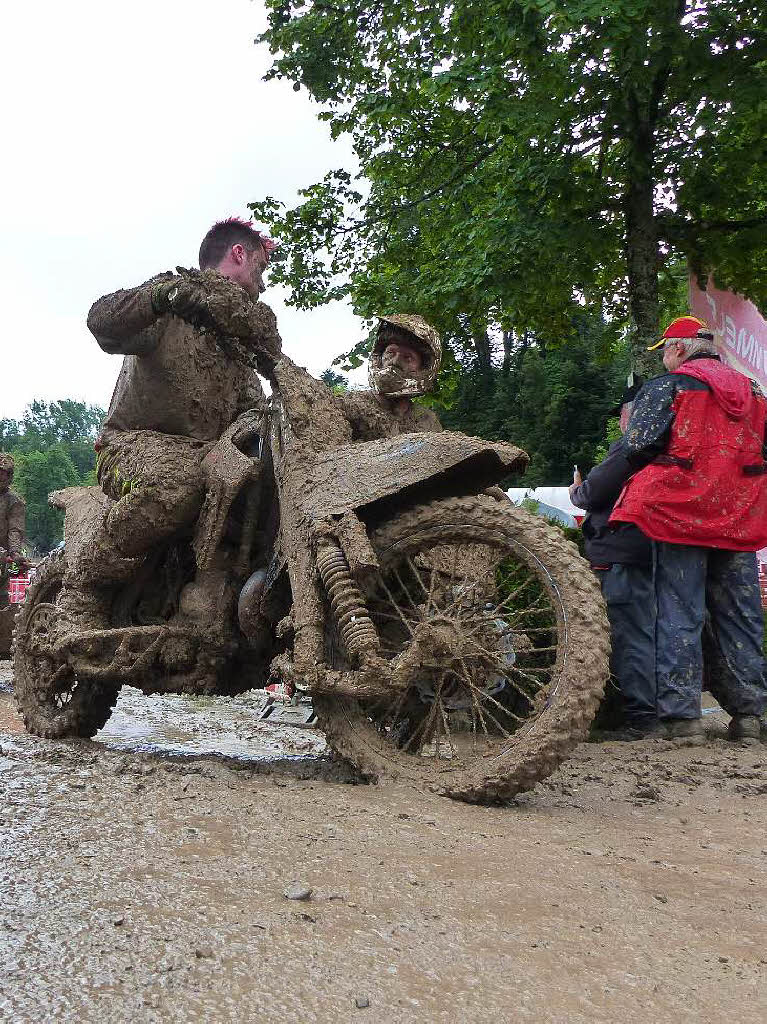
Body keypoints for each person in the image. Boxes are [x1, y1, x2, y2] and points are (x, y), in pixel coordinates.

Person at [60, 217, 282, 629]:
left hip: (211, 459)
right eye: (260, 268)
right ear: (239, 254)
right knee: (178, 484)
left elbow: (255, 409)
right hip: (129, 448)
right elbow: (101, 323)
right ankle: (84, 585)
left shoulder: (239, 341)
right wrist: (162, 296)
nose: (264, 284)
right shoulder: (175, 305)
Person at [610, 315, 767, 745]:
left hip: (679, 515)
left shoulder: (669, 386)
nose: (663, 359)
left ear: (678, 349)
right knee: (741, 616)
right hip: (738, 517)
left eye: (663, 350)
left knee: (679, 613)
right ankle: (750, 718)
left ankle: (684, 721)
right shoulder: (754, 391)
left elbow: (638, 443)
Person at [569, 376, 661, 739]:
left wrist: (577, 489)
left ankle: (641, 717)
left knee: (627, 633)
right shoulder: (667, 446)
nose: (622, 421)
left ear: (630, 414)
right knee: (649, 631)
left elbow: (593, 493)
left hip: (619, 552)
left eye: (623, 413)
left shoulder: (631, 445)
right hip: (650, 550)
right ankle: (653, 710)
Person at [338, 314, 443, 438]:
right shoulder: (348, 405)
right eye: (390, 352)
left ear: (422, 369)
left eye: (407, 357)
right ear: (379, 356)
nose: (395, 361)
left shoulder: (427, 422)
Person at [0, 453, 26, 607]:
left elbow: (15, 529)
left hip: (2, 558)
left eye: (3, 474)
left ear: (9, 476)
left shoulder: (14, 501)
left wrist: (15, 552)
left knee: (3, 598)